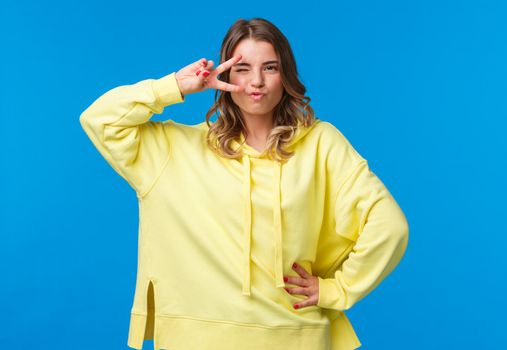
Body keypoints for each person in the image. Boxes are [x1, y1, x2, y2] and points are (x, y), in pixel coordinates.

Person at [79, 17, 409, 350]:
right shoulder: (173, 150)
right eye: (242, 68)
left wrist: (336, 289)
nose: (256, 82)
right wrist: (175, 86)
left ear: (286, 75)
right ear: (224, 75)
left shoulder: (320, 143)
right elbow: (99, 120)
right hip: (198, 338)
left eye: (269, 67)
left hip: (295, 336)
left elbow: (389, 226)